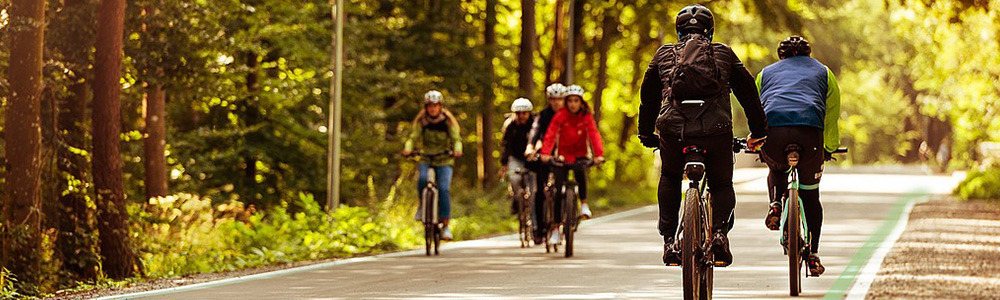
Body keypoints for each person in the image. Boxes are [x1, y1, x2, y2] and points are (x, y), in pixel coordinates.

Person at [636, 4, 768, 267]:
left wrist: (646, 132)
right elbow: (749, 96)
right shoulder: (723, 53)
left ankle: (669, 241)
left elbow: (648, 99)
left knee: (671, 177)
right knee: (721, 184)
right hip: (716, 131)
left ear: (678, 30)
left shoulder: (663, 54)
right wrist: (759, 131)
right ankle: (719, 233)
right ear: (710, 31)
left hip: (673, 131)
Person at [756, 36, 840, 275]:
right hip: (810, 135)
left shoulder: (765, 74)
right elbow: (832, 114)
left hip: (773, 135)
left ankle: (774, 204)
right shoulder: (824, 72)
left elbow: (755, 107)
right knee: (811, 197)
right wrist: (829, 147)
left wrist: (755, 139)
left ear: (781, 56)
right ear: (808, 54)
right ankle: (813, 254)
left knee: (776, 168)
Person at [540, 85, 605, 245]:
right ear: (566, 102)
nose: (573, 104)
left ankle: (583, 203)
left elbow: (594, 135)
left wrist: (599, 155)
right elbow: (550, 134)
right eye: (570, 101)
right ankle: (555, 228)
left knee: (580, 174)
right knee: (556, 191)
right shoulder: (561, 115)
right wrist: (545, 153)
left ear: (581, 102)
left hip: (580, 155)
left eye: (576, 101)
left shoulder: (586, 116)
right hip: (563, 156)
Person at [403, 90, 463, 241]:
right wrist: (408, 148)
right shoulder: (422, 122)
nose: (433, 109)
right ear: (426, 107)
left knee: (443, 189)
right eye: (430, 106)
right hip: (426, 158)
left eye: (435, 106)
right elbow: (413, 138)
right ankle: (422, 207)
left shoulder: (447, 122)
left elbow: (456, 139)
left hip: (444, 159)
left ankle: (445, 224)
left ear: (440, 107)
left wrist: (457, 149)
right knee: (423, 179)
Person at [526, 83, 566, 244]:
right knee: (540, 192)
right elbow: (535, 132)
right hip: (545, 154)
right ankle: (539, 229)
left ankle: (567, 215)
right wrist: (530, 147)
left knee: (561, 190)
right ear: (549, 100)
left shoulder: (569, 114)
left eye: (559, 99)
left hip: (564, 154)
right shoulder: (542, 115)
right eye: (553, 99)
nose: (556, 102)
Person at [500, 98, 537, 215]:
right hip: (516, 157)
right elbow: (506, 145)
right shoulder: (510, 126)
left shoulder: (535, 123)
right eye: (518, 113)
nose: (521, 116)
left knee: (534, 188)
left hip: (533, 158)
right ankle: (516, 199)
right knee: (514, 178)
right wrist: (504, 164)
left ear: (529, 113)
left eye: (524, 113)